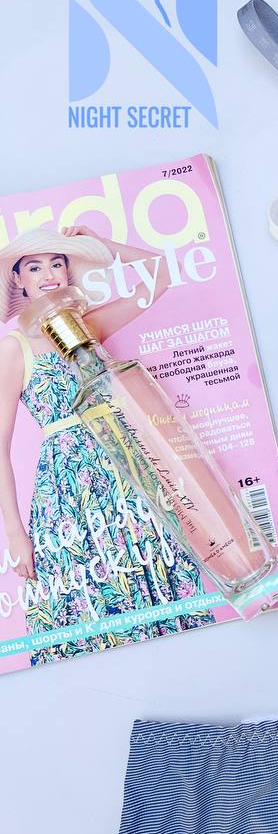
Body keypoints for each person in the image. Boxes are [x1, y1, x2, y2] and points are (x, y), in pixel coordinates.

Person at [0, 223, 215, 665]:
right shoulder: (13, 349)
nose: (49, 274)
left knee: (154, 570)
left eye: (57, 262)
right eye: (35, 266)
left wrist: (101, 245)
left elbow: (161, 275)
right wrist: (16, 534)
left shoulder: (87, 324)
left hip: (127, 468)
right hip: (67, 487)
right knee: (84, 591)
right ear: (18, 279)